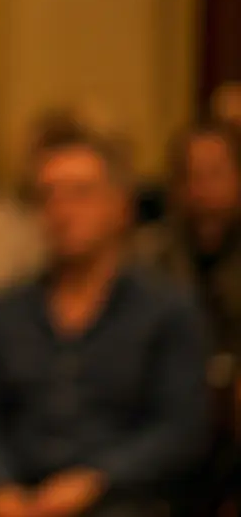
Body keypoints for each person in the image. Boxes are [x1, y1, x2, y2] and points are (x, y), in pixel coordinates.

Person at [0, 125, 209, 517]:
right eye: (47, 196)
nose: (62, 211)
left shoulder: (167, 310)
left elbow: (181, 430)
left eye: (80, 193)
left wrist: (96, 478)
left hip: (119, 497)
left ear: (121, 207)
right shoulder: (3, 311)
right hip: (14, 495)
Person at [134, 123, 241, 514]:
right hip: (169, 406)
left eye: (215, 173)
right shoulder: (149, 256)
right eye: (190, 176)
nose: (202, 190)